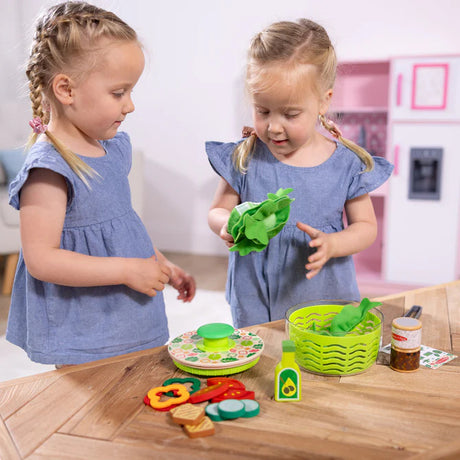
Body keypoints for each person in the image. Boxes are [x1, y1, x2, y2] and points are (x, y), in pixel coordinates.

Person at [6, 1, 196, 366]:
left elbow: (119, 226)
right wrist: (127, 270)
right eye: (118, 93)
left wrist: (160, 264)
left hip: (130, 318)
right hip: (84, 331)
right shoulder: (49, 168)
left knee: (136, 398)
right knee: (91, 413)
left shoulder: (111, 149)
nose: (130, 106)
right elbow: (42, 260)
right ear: (66, 89)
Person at [206, 19, 393, 328]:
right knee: (262, 355)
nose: (273, 126)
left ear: (324, 101)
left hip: (322, 290)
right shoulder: (245, 155)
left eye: (290, 114)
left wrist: (333, 244)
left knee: (318, 359)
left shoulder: (345, 163)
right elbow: (216, 210)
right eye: (262, 111)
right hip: (255, 291)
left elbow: (365, 228)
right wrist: (227, 225)